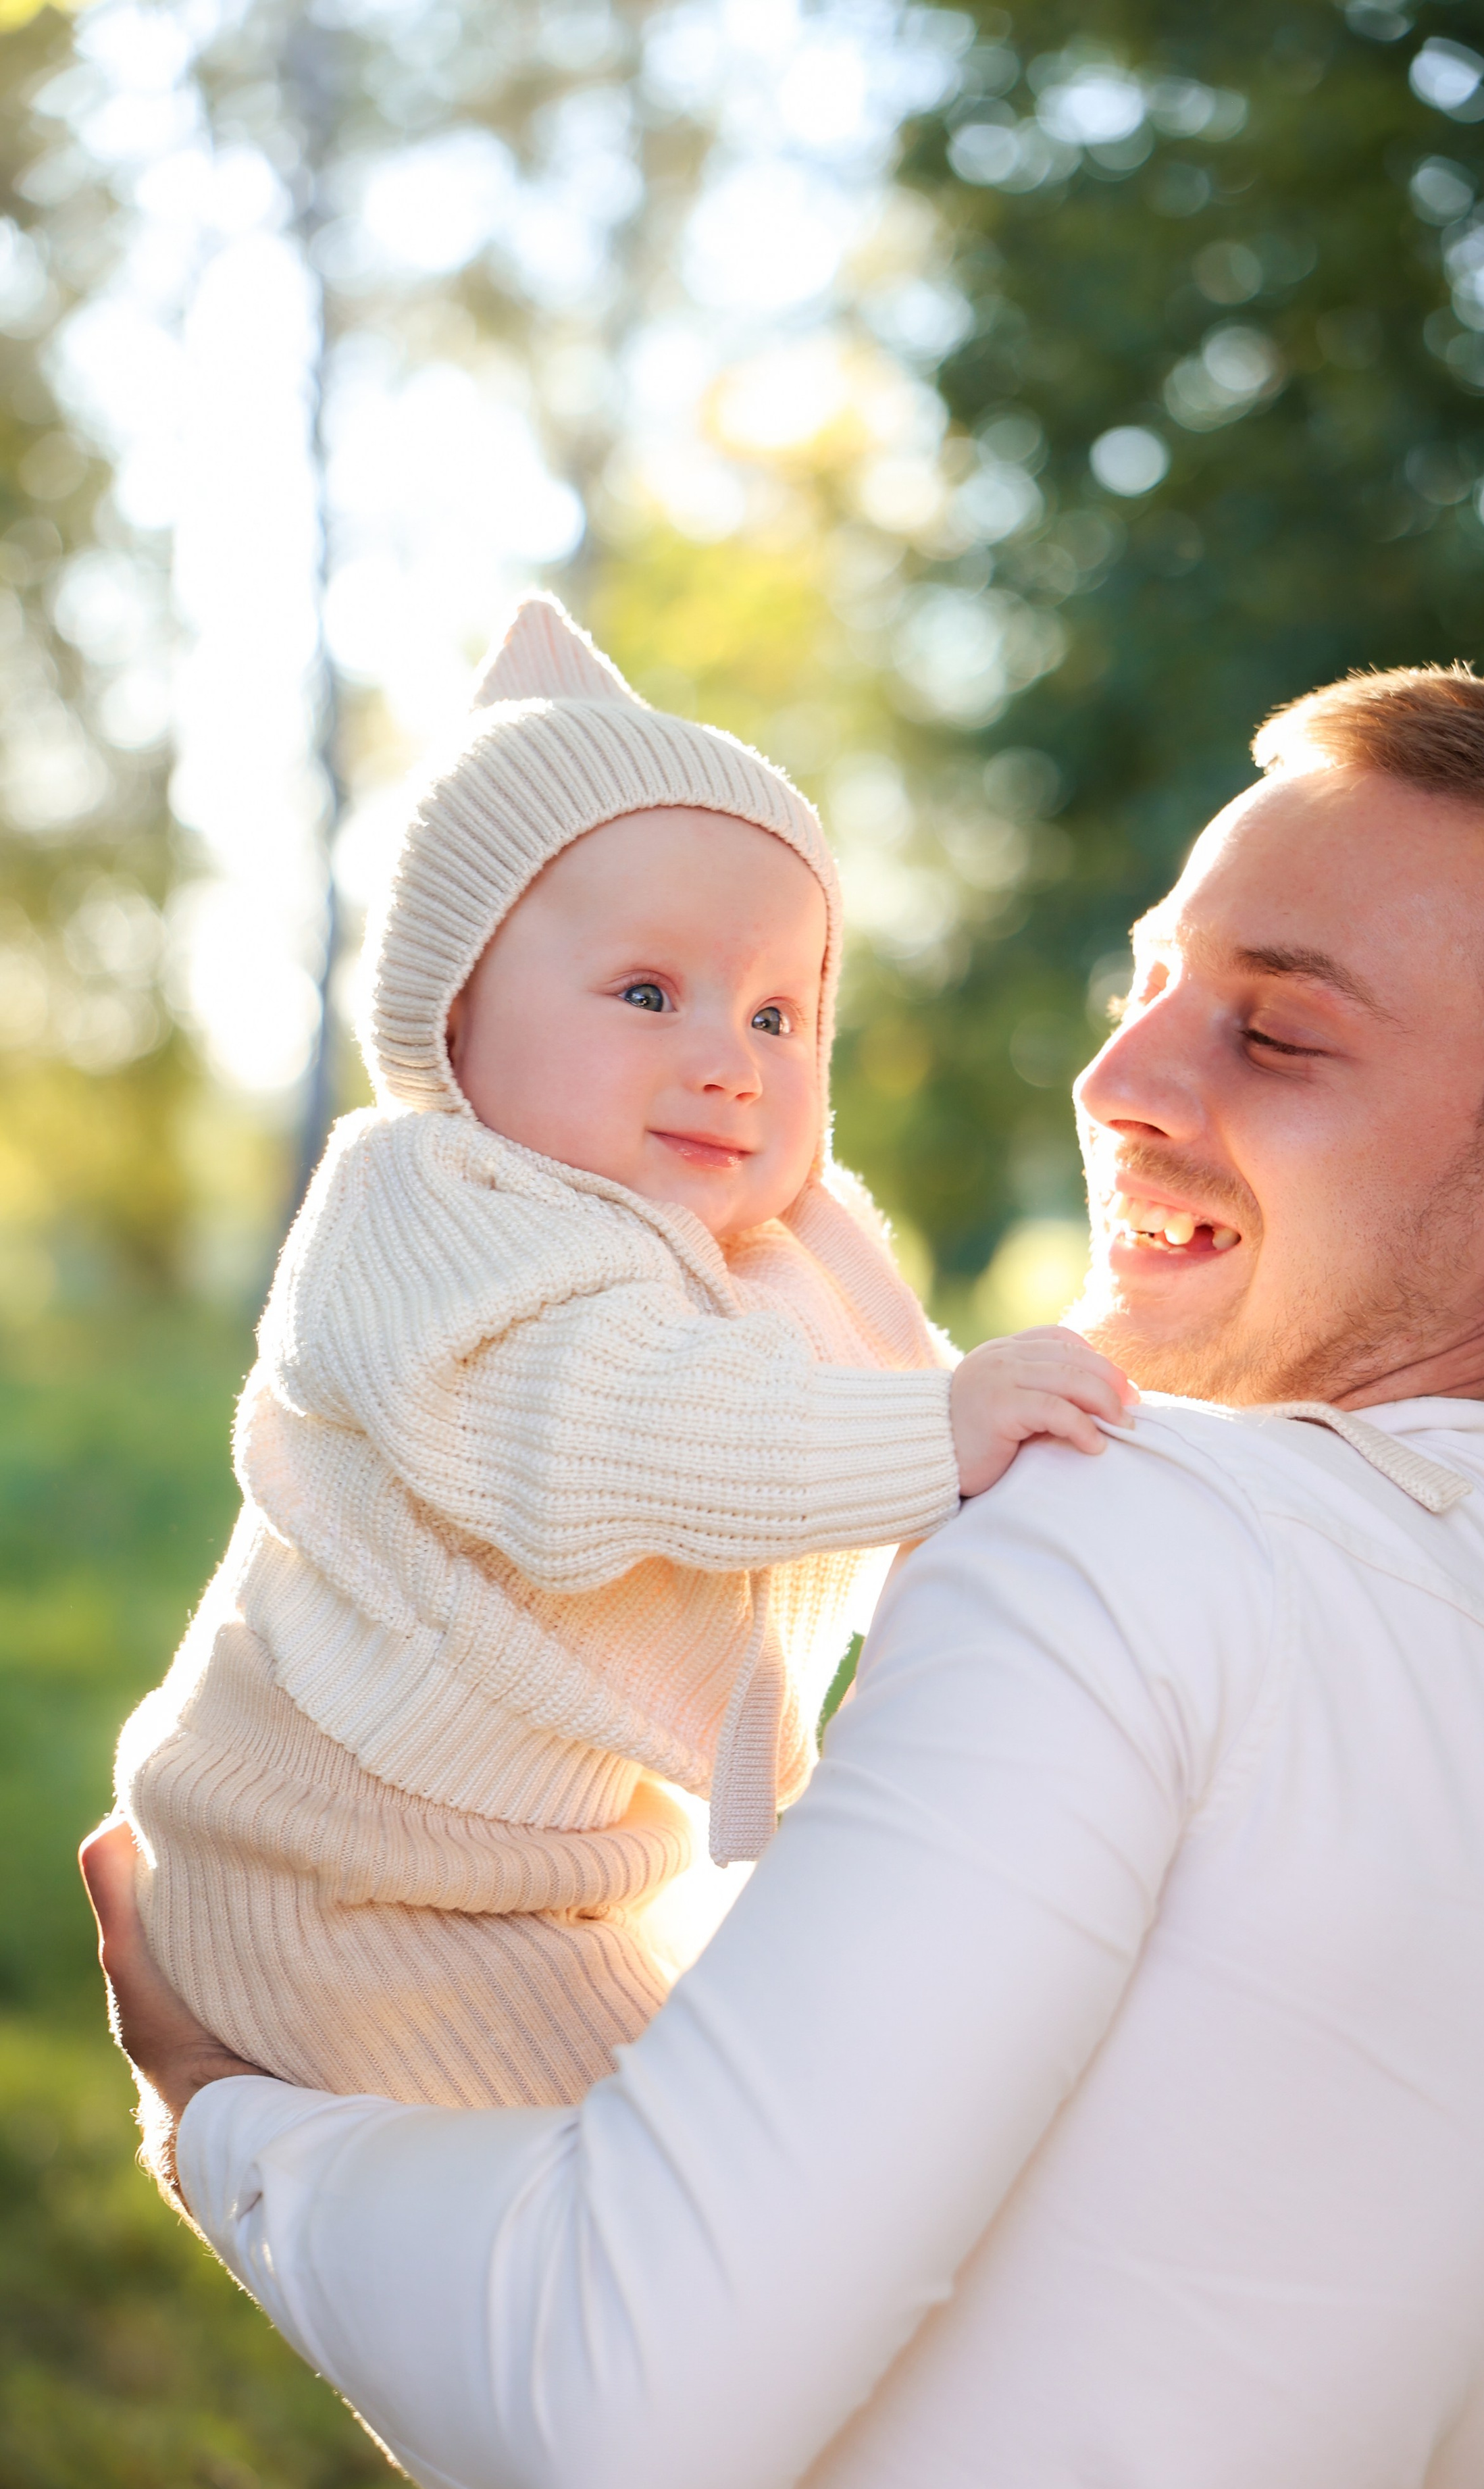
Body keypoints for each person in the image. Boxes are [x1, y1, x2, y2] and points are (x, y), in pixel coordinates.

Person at [86, 666, 1484, 2489]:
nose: (1119, 1080)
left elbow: (619, 2399)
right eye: (1151, 988)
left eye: (1276, 1032)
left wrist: (232, 2123)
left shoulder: (1125, 1538)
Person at [111, 591, 1129, 2118]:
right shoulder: (426, 1202)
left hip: (553, 1860)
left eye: (781, 1013)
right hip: (340, 1866)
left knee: (776, 2134)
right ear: (451, 1016)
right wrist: (937, 1431)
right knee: (658, 2188)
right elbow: (595, 1427)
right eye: (649, 994)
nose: (729, 1057)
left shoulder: (768, 1246)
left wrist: (1015, 1415)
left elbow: (910, 1386)